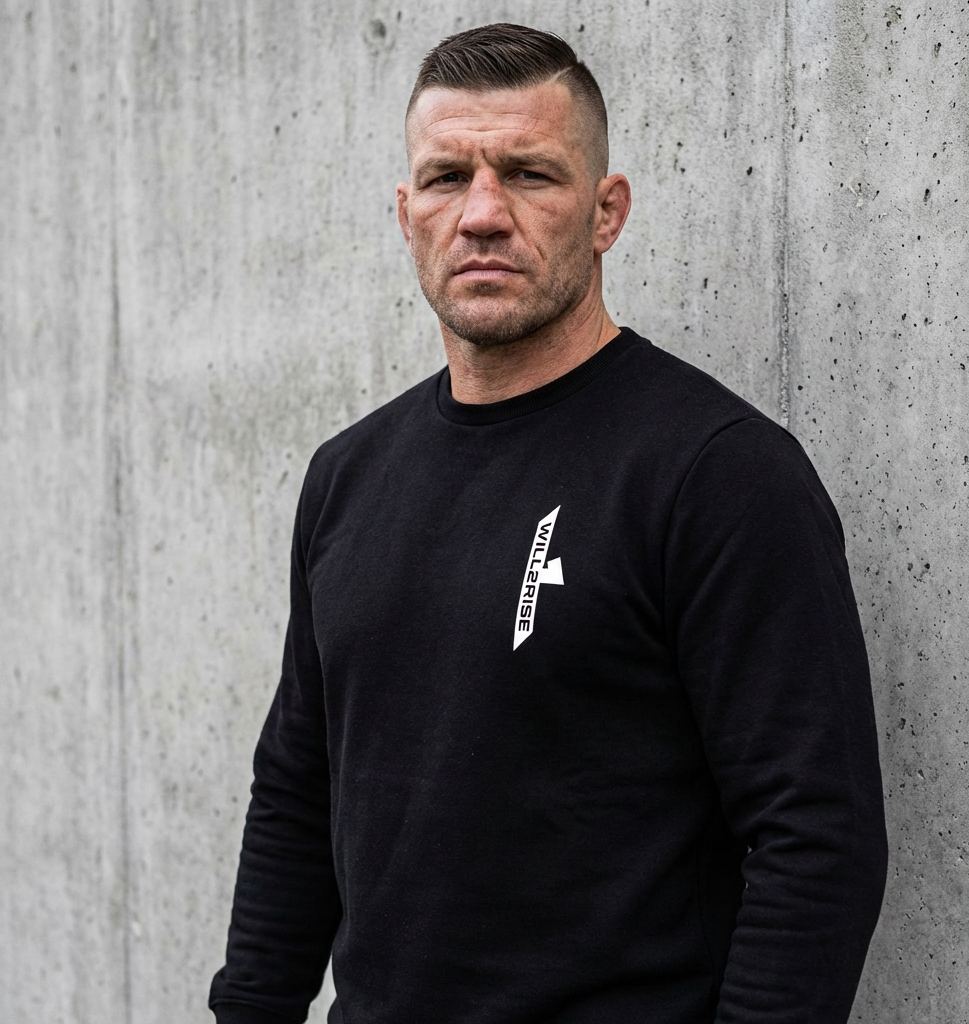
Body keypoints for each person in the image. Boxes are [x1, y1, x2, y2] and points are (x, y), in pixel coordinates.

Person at [209, 23, 887, 1024]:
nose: (483, 214)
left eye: (529, 174)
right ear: (406, 214)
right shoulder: (346, 476)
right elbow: (296, 792)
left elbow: (817, 835)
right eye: (447, 178)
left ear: (606, 211)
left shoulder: (716, 473)